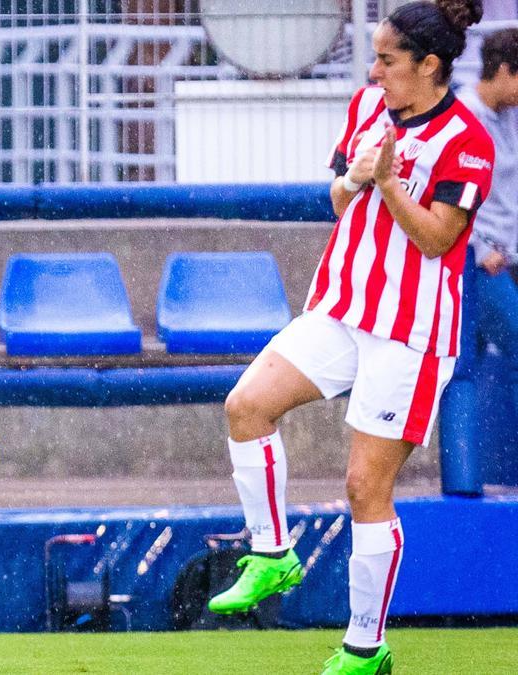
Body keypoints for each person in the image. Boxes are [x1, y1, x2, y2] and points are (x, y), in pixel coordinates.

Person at [205, 1, 491, 673]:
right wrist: (357, 177)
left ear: (429, 64)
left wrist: (389, 184)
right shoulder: (367, 105)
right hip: (341, 307)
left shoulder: (468, 140)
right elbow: (338, 200)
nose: (375, 69)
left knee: (365, 487)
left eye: (388, 59)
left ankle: (365, 647)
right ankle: (273, 553)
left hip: (410, 332)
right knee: (246, 406)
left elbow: (438, 239)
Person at [458, 29, 518, 363]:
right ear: (505, 70)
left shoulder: (507, 114)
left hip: (505, 254)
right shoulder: (467, 116)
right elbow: (453, 189)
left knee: (482, 358)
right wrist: (480, 249)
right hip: (481, 261)